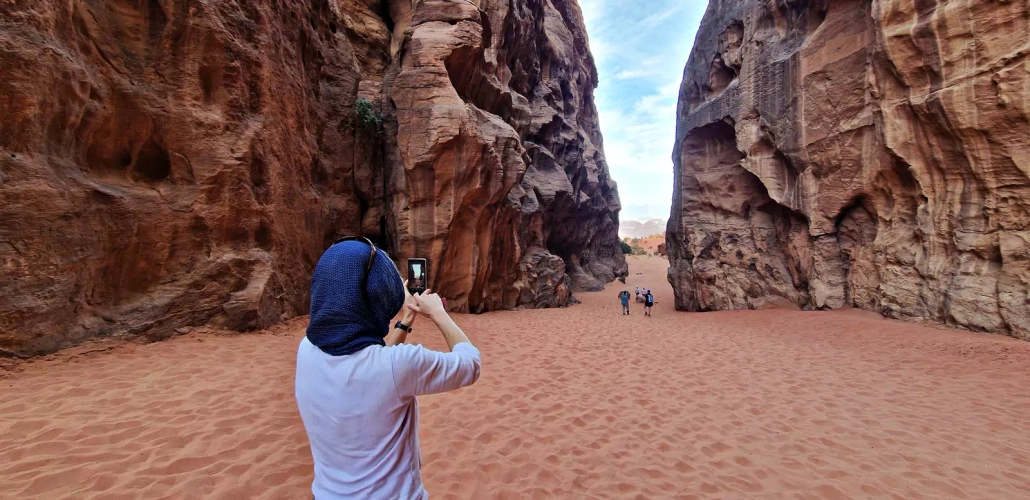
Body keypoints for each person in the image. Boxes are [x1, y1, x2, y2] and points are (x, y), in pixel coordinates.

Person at [295, 236, 481, 500]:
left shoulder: (307, 350)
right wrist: (438, 312)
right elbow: (470, 364)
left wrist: (406, 320)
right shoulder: (398, 366)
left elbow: (372, 361)